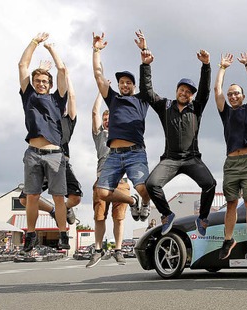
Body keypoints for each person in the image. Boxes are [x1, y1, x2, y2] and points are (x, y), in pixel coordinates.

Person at [136, 31, 216, 237]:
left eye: (189, 92)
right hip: (170, 159)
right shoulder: (165, 106)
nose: (185, 93)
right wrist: (145, 64)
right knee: (152, 184)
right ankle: (167, 214)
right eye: (182, 89)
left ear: (191, 96)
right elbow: (147, 91)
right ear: (177, 90)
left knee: (210, 184)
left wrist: (206, 66)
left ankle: (203, 218)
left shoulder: (196, 108)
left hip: (192, 159)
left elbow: (205, 90)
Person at [92, 31, 151, 225]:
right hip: (114, 154)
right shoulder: (114, 99)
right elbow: (98, 76)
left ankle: (144, 201)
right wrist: (96, 51)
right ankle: (131, 201)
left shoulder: (141, 100)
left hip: (135, 152)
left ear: (133, 86)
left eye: (128, 82)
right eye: (121, 82)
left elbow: (146, 81)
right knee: (102, 192)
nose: (124, 85)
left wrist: (143, 50)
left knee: (143, 187)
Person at [18, 32, 70, 251]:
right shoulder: (28, 95)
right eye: (37, 80)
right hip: (33, 152)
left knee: (58, 197)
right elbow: (22, 65)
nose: (40, 83)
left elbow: (63, 71)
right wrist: (34, 42)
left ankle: (63, 234)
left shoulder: (57, 99)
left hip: (55, 154)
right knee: (32, 195)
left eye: (43, 81)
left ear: (49, 84)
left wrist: (50, 48)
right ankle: (30, 234)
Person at [18, 60, 81, 226]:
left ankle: (65, 209)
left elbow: (71, 96)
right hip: (40, 157)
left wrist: (66, 76)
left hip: (60, 161)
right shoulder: (42, 115)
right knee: (26, 199)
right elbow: (35, 94)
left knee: (75, 197)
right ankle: (53, 211)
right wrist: (41, 75)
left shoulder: (69, 120)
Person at [214, 52, 247, 260]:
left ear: (242, 96)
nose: (233, 96)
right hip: (231, 162)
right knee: (231, 202)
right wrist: (222, 68)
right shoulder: (226, 112)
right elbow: (217, 91)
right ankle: (228, 239)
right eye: (230, 93)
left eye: (236, 93)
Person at [86, 93, 132, 268]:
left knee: (119, 218)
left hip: (121, 182)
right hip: (102, 181)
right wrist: (100, 92)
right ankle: (98, 250)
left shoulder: (124, 135)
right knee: (99, 216)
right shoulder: (100, 135)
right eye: (105, 118)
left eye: (110, 118)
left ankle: (118, 250)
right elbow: (94, 113)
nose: (107, 121)